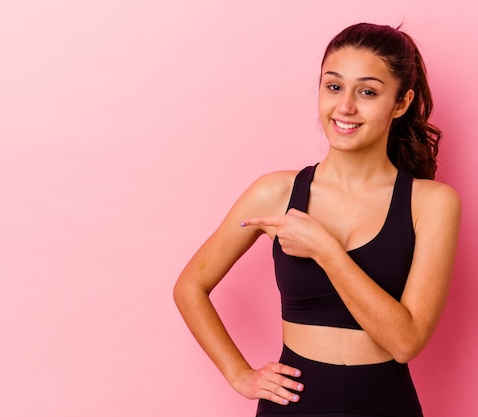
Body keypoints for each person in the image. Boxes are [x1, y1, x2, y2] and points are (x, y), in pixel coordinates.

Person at [173, 22, 461, 417]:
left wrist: (326, 250)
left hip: (386, 405)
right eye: (333, 86)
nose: (345, 107)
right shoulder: (275, 191)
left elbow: (405, 342)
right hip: (294, 404)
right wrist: (240, 375)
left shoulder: (431, 204)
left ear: (401, 102)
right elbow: (190, 286)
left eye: (367, 92)